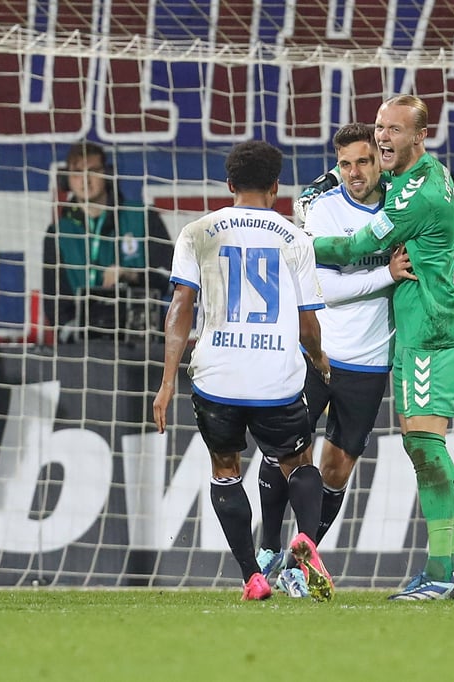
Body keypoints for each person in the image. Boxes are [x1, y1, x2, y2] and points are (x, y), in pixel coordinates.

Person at [257, 122, 454, 597]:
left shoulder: (399, 203)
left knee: (336, 470)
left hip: (369, 361)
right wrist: (381, 275)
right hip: (317, 349)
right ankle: (267, 549)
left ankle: (296, 561)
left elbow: (437, 262)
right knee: (286, 451)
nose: (355, 172)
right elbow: (319, 284)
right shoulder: (322, 209)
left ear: (380, 160)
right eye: (345, 164)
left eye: (364, 161)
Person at [152, 140, 335, 602]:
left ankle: (253, 576)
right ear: (276, 188)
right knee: (298, 463)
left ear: (230, 185)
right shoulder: (294, 237)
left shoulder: (198, 232)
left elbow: (180, 308)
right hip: (276, 378)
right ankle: (306, 542)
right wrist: (318, 358)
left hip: (217, 379)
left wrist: (168, 380)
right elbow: (309, 321)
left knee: (225, 469)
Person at [42, 141, 173, 342]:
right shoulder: (59, 233)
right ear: (66, 179)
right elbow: (55, 304)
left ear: (108, 174)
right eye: (77, 173)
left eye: (93, 171)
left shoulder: (142, 217)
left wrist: (131, 275)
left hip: (141, 339)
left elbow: (171, 280)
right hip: (83, 345)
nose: (85, 181)